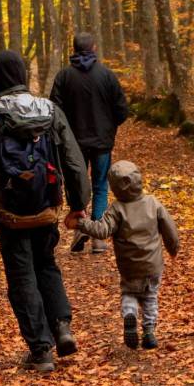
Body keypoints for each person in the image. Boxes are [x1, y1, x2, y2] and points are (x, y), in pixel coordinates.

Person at [0, 50, 91, 372]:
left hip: (10, 212)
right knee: (46, 264)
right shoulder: (50, 111)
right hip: (46, 205)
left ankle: (40, 349)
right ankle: (62, 326)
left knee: (21, 276)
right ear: (23, 74)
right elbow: (74, 160)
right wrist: (78, 204)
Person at [67, 160, 179, 350]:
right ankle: (149, 330)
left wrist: (81, 224)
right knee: (150, 296)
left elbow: (102, 231)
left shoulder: (116, 209)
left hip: (129, 266)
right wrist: (173, 248)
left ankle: (130, 314)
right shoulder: (153, 203)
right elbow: (169, 229)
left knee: (129, 293)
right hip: (153, 264)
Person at [50, 32, 129, 254]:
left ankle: (80, 229)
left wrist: (64, 132)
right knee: (100, 185)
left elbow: (54, 110)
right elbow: (122, 109)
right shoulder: (107, 76)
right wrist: (110, 125)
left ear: (74, 50)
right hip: (102, 142)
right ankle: (98, 236)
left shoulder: (64, 77)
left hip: (73, 143)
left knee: (77, 184)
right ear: (93, 48)